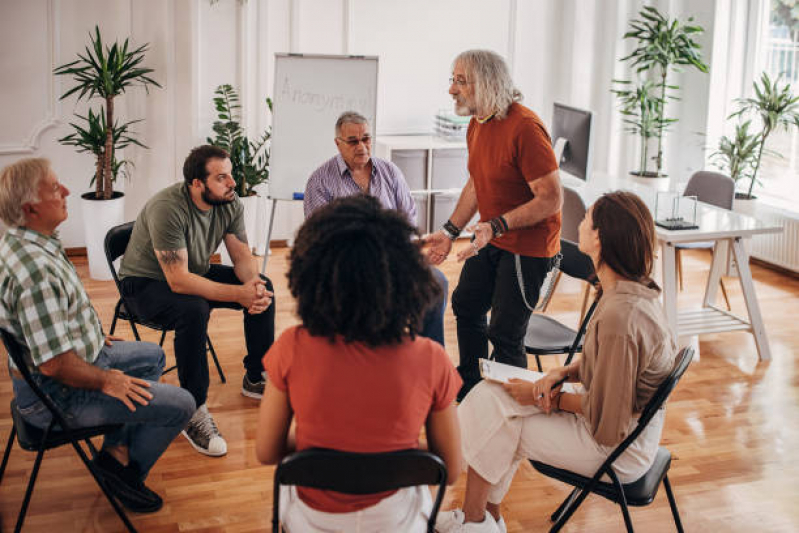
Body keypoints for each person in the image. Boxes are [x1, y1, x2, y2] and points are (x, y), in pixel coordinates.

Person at [435, 191, 678, 532]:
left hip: (618, 450)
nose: (577, 223)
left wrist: (547, 398)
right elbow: (614, 365)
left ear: (599, 238)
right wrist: (563, 372)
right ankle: (481, 518)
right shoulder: (632, 291)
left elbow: (610, 425)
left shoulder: (620, 318)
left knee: (501, 417)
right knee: (492, 396)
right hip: (624, 430)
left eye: (586, 218)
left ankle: (479, 520)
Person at [256, 195, 463, 532]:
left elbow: (267, 451)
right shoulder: (431, 358)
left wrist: (326, 448)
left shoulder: (291, 347)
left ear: (311, 276)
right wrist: (392, 454)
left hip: (313, 521)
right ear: (404, 277)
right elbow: (450, 469)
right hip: (396, 522)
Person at [0, 158, 196, 513]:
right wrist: (107, 381)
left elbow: (48, 326)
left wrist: (87, 334)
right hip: (56, 396)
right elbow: (54, 364)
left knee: (151, 357)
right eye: (54, 188)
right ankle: (125, 475)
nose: (66, 192)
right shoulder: (36, 273)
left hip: (73, 361)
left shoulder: (26, 241)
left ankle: (115, 451)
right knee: (182, 405)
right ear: (30, 208)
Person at [118, 145, 275, 457]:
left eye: (230, 174)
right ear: (197, 184)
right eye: (221, 177)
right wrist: (238, 295)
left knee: (263, 286)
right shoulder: (168, 207)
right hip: (145, 283)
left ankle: (255, 377)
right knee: (193, 308)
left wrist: (252, 287)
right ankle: (193, 407)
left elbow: (242, 256)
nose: (232, 183)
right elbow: (178, 280)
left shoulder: (229, 201)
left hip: (191, 270)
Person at [424, 50, 563, 401]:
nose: (451, 89)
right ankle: (472, 385)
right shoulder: (479, 123)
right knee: (467, 304)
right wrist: (450, 232)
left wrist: (497, 225)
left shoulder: (526, 128)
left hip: (527, 249)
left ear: (485, 84)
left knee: (505, 334)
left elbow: (551, 199)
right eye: (452, 79)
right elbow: (476, 182)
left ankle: (511, 410)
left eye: (460, 81)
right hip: (493, 239)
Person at [304, 111, 448, 346]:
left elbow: (409, 220)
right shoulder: (320, 181)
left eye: (366, 139)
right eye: (353, 141)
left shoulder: (390, 171)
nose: (361, 146)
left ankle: (428, 359)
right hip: (347, 269)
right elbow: (319, 241)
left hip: (393, 260)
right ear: (338, 144)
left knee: (436, 285)